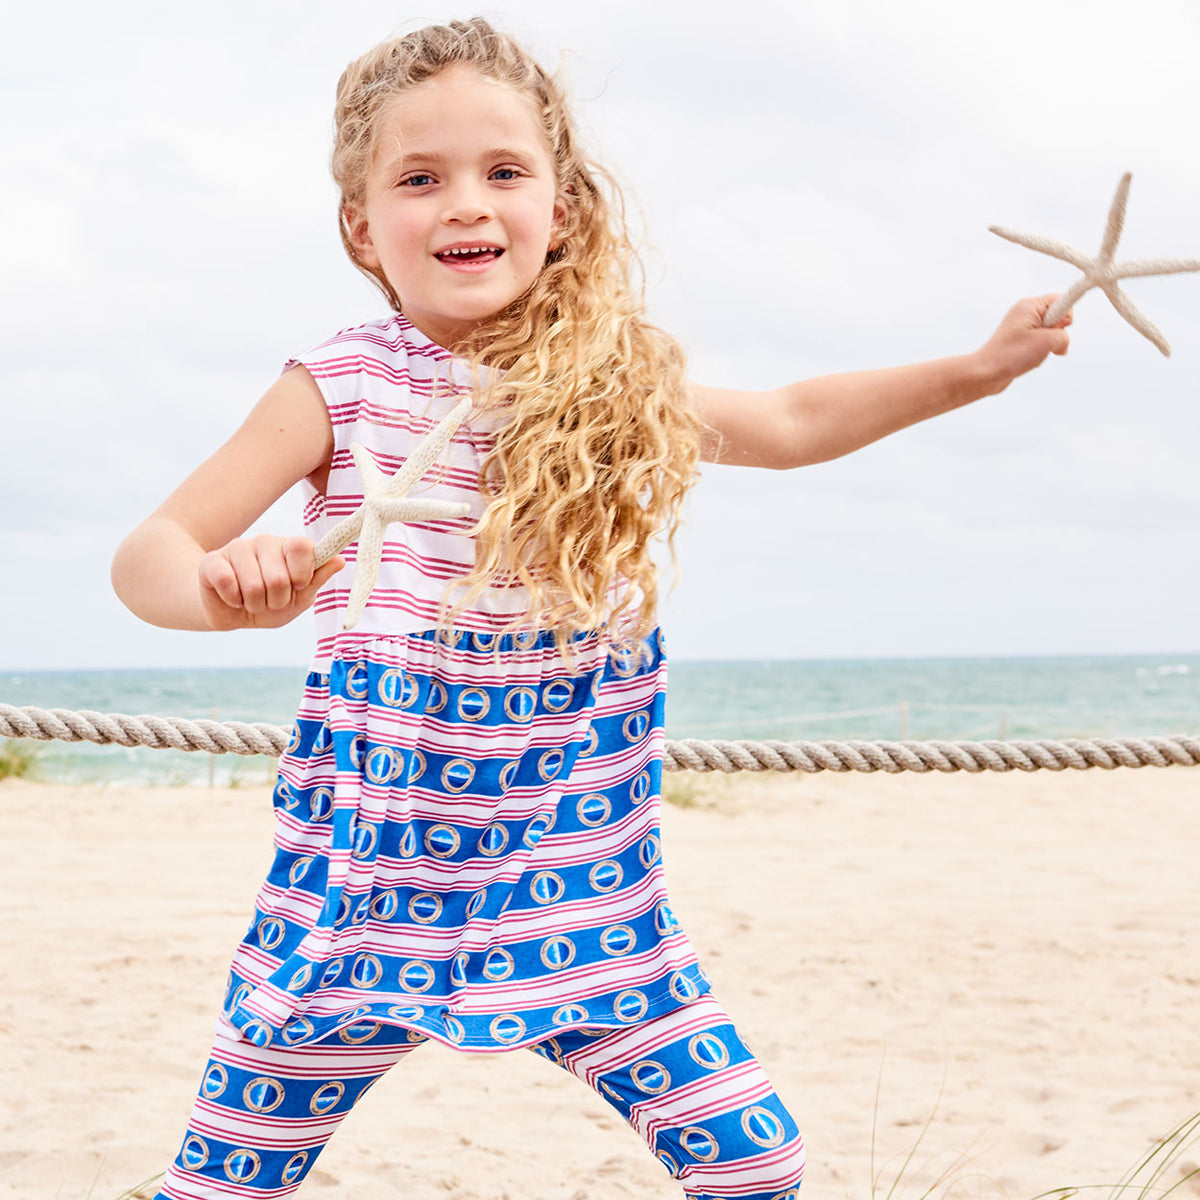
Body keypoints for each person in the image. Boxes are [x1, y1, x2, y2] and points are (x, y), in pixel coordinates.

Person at [111, 17, 1070, 1200]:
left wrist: (974, 371)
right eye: (421, 178)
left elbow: (791, 421)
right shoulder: (345, 381)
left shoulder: (613, 380)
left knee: (754, 1163)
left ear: (561, 206)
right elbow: (149, 555)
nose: (467, 204)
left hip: (580, 880)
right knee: (223, 1185)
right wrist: (225, 595)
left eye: (503, 171)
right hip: (360, 894)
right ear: (362, 226)